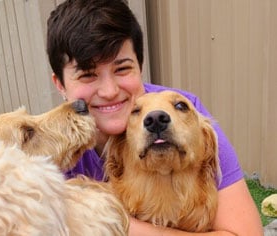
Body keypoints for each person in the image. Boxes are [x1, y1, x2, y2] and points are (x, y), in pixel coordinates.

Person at [46, 0, 263, 235]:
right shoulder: (44, 149)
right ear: (60, 84)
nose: (109, 91)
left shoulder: (187, 113)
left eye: (122, 69)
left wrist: (118, 223)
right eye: (88, 75)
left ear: (139, 67)